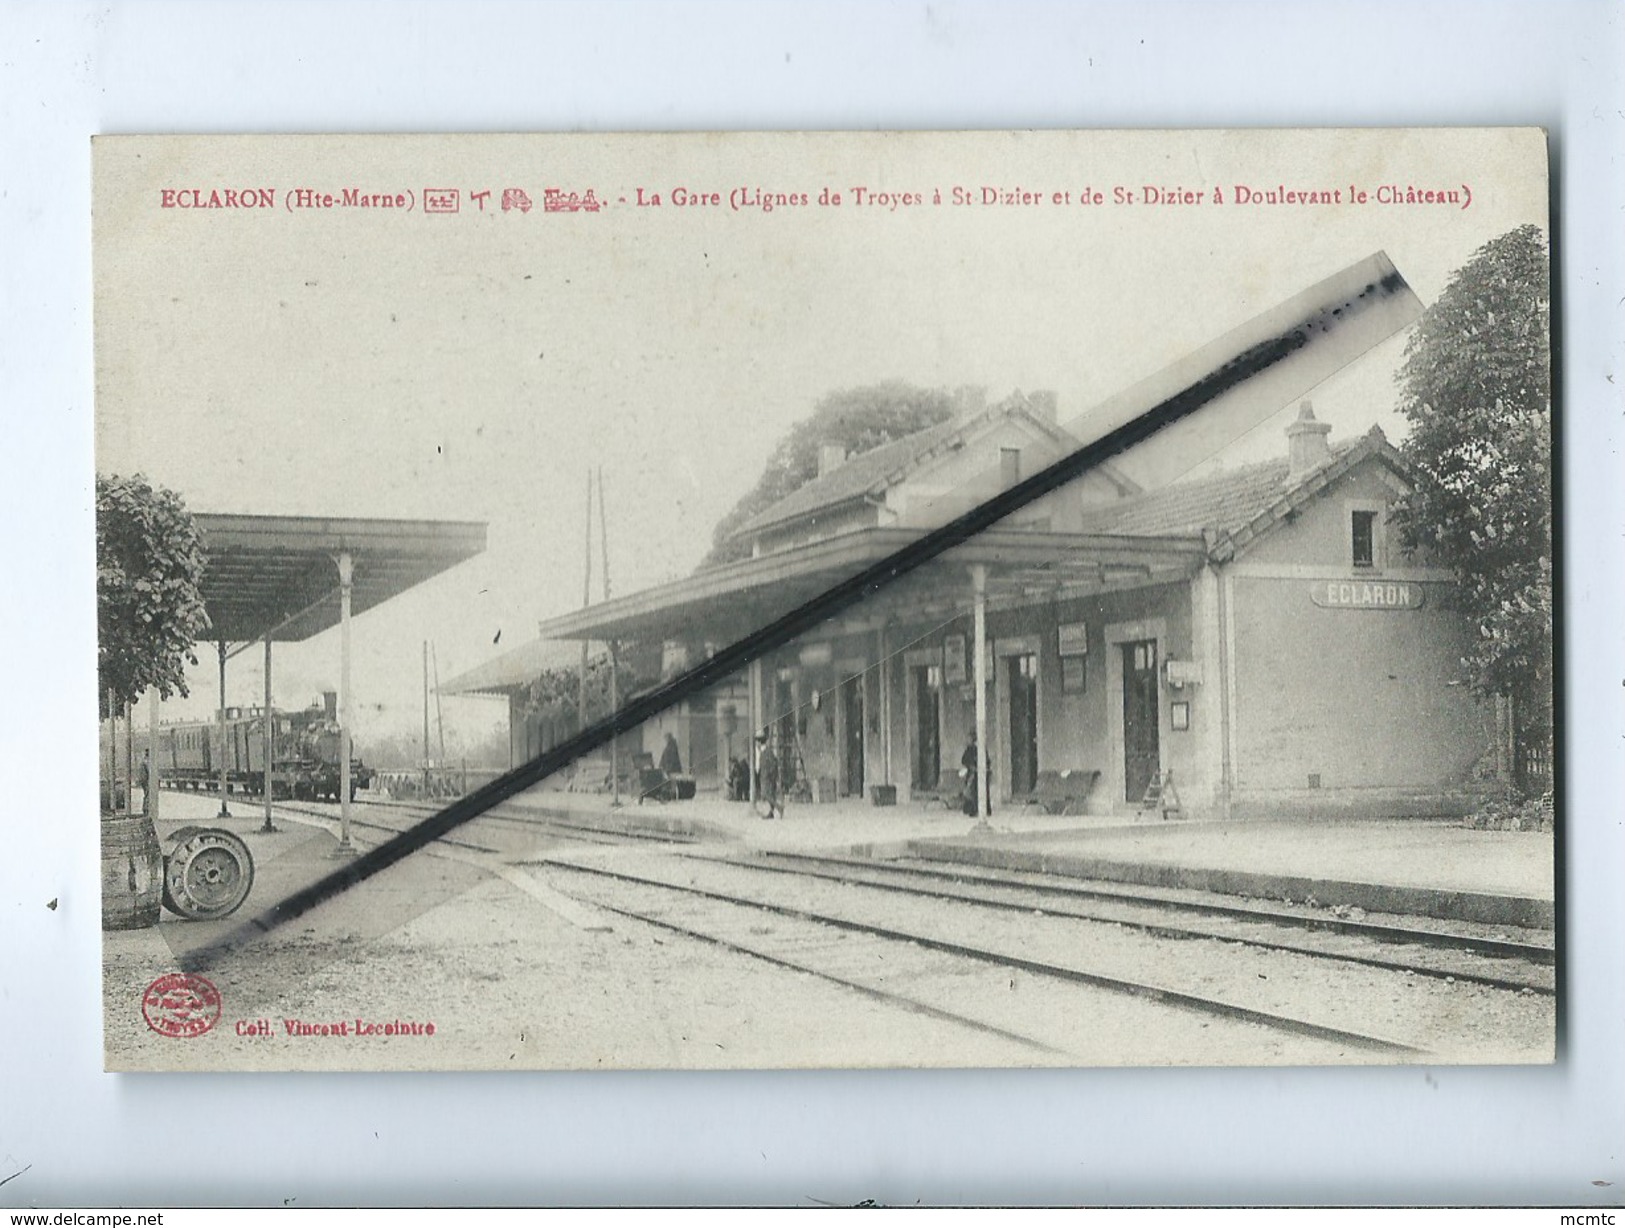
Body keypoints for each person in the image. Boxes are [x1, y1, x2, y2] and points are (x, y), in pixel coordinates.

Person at [960, 732, 988, 817]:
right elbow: (964, 760)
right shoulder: (969, 749)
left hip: (978, 773)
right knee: (970, 792)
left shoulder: (980, 749)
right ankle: (970, 809)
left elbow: (986, 760)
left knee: (976, 792)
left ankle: (978, 810)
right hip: (971, 773)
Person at [755, 731, 782, 820]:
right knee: (767, 795)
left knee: (766, 795)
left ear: (759, 742)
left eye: (757, 742)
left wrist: (771, 775)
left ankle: (779, 807)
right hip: (764, 776)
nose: (756, 744)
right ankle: (770, 813)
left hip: (767, 778)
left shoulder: (766, 752)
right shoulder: (763, 752)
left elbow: (773, 764)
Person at [137, 749, 151, 816]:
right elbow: (149, 771)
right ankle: (146, 809)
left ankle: (145, 809)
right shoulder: (146, 761)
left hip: (143, 780)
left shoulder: (143, 760)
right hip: (146, 780)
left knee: (146, 794)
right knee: (148, 794)